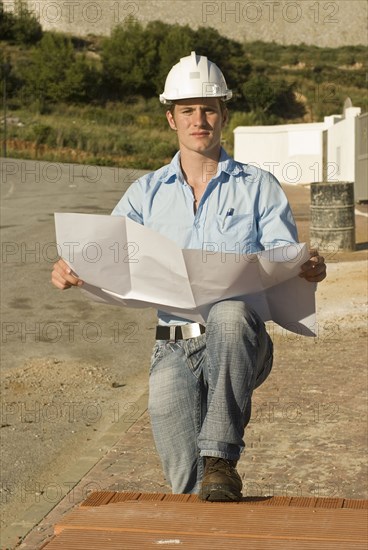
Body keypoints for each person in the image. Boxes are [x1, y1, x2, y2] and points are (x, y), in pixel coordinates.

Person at [52, 51, 326, 502]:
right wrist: (73, 268)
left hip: (242, 338)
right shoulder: (145, 194)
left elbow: (286, 259)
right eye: (188, 110)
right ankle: (210, 498)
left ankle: (221, 458)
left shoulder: (258, 187)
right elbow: (105, 253)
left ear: (223, 115)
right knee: (187, 485)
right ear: (171, 119)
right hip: (175, 340)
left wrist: (310, 268)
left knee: (232, 314)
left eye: (209, 108)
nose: (199, 119)